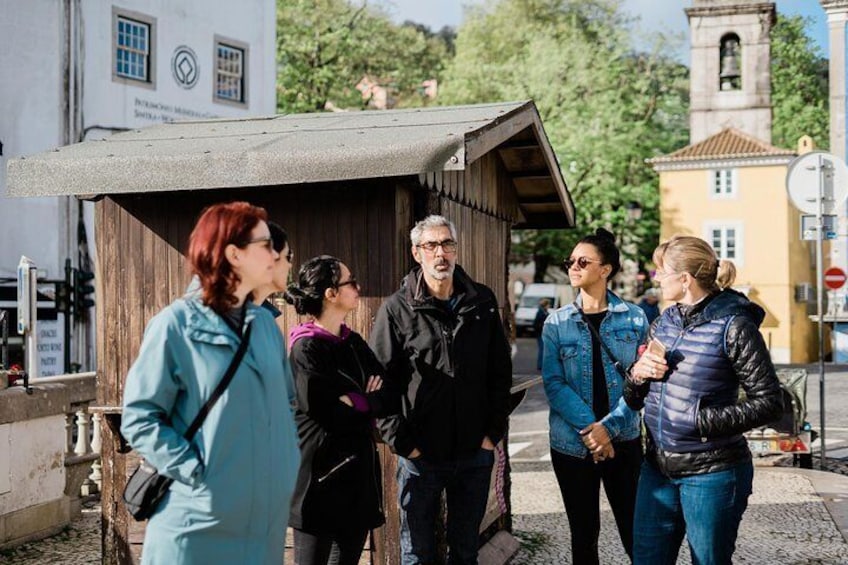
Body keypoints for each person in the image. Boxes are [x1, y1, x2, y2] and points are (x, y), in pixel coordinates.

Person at [121, 202, 300, 564]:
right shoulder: (174, 325)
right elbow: (139, 418)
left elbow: (285, 408)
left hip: (262, 529)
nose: (275, 253)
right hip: (196, 525)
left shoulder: (265, 327)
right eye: (265, 244)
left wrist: (285, 471)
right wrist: (201, 476)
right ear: (234, 254)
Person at [625, 235, 783, 565]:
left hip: (712, 472)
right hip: (657, 467)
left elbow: (770, 402)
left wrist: (699, 420)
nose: (656, 278)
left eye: (661, 272)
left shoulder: (735, 326)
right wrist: (637, 375)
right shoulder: (664, 322)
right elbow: (634, 398)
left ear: (685, 279)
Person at [370, 214, 513, 565]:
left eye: (447, 244)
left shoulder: (481, 301)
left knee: (465, 551)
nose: (440, 254)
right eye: (431, 245)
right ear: (416, 253)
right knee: (417, 552)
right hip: (421, 455)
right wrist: (404, 443)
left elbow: (500, 372)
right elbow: (380, 383)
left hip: (474, 450)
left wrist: (491, 433)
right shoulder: (396, 309)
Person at [540, 228, 648, 564]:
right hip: (573, 444)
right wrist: (593, 431)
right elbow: (554, 384)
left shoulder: (634, 318)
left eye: (582, 261)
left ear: (606, 269)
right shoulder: (556, 323)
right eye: (570, 261)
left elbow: (641, 383)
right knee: (584, 535)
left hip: (625, 440)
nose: (573, 266)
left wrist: (610, 429)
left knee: (637, 533)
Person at [285, 255, 397, 565]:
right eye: (350, 282)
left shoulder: (354, 342)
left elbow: (388, 395)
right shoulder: (305, 348)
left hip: (357, 478)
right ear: (330, 294)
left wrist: (356, 400)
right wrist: (365, 400)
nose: (358, 286)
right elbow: (325, 412)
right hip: (318, 478)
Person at [533, 298, 551, 370]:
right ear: (545, 305)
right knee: (542, 349)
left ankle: (543, 365)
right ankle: (540, 365)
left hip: (544, 333)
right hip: (541, 333)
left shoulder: (545, 312)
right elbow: (535, 324)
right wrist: (542, 327)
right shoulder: (540, 313)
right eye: (548, 304)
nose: (549, 306)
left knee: (544, 349)